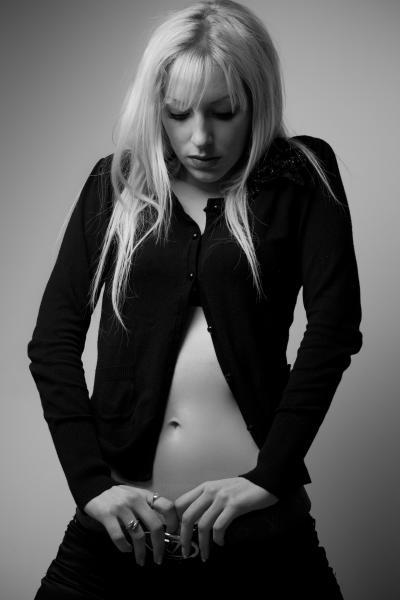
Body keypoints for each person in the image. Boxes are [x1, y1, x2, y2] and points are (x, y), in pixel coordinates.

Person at [27, 0, 363, 597]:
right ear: (156, 106)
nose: (200, 138)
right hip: (123, 531)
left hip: (261, 531)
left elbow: (333, 331)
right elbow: (52, 342)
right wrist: (91, 487)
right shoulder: (116, 183)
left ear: (257, 101)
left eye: (224, 112)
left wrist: (269, 477)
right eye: (178, 114)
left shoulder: (301, 176)